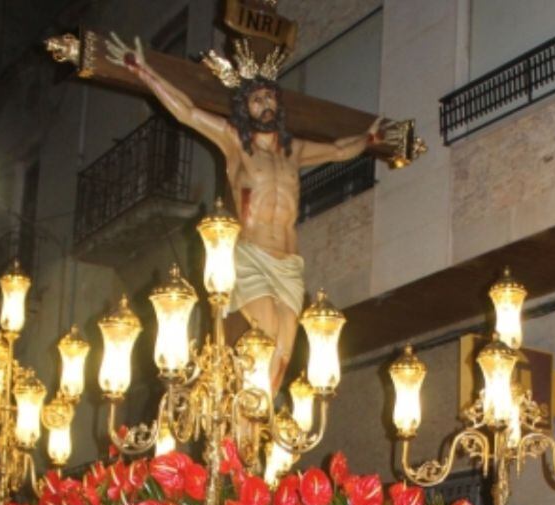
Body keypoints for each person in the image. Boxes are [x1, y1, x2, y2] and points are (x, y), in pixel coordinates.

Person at [106, 35, 382, 392]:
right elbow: (186, 111)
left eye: (269, 97)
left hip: (289, 262)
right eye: (256, 99)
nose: (265, 104)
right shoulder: (235, 142)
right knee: (263, 327)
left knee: (284, 341)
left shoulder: (293, 150)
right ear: (245, 108)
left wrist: (370, 139)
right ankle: (248, 419)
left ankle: (258, 416)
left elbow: (340, 150)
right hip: (252, 254)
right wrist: (142, 70)